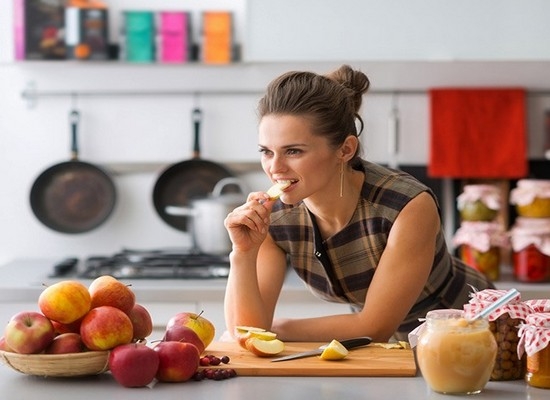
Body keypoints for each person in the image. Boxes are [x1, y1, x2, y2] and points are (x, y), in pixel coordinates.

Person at [223, 65, 494, 342]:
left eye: (293, 151)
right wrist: (242, 253)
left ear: (345, 149)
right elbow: (244, 331)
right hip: (379, 351)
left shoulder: (407, 206)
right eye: (266, 152)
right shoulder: (274, 219)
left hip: (471, 331)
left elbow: (373, 327)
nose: (275, 167)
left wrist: (276, 329)